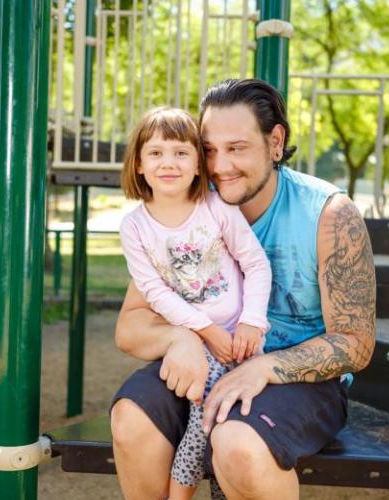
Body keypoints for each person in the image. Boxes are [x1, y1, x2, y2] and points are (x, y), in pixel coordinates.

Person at [111, 79, 376, 500]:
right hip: (210, 359)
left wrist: (263, 368)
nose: (220, 166)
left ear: (275, 141)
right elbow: (130, 326)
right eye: (210, 150)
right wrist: (180, 337)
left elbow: (357, 344)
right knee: (131, 418)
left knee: (239, 447)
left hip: (301, 380)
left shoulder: (327, 214)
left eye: (237, 148)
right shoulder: (189, 207)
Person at [117, 106, 272, 499]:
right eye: (155, 153)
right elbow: (154, 291)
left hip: (237, 342)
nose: (168, 163)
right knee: (200, 420)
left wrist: (252, 323)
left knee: (206, 423)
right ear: (138, 164)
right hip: (197, 341)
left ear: (199, 165)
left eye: (181, 153)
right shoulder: (134, 227)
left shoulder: (215, 208)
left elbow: (255, 264)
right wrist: (203, 331)